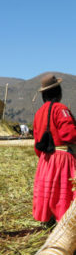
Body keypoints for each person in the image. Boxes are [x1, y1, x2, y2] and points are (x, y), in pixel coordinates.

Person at [33, 74, 76, 225]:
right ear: (58, 92)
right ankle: (64, 221)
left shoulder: (38, 113)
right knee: (63, 193)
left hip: (46, 160)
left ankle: (49, 219)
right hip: (63, 158)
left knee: (49, 191)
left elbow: (37, 141)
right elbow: (69, 135)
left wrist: (45, 159)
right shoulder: (61, 109)